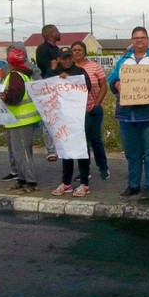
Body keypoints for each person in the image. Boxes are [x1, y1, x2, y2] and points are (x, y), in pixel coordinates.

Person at [108, 26, 149, 200]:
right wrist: (116, 84)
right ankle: (133, 185)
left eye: (142, 38)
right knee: (132, 153)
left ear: (147, 40)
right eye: (136, 38)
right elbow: (112, 78)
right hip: (127, 115)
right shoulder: (124, 60)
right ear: (132, 40)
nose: (139, 40)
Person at [49, 47, 93, 197]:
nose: (67, 60)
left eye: (69, 57)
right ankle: (66, 182)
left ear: (73, 58)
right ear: (60, 59)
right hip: (63, 117)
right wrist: (54, 71)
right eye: (64, 58)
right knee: (65, 149)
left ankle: (84, 183)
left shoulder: (79, 72)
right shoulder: (55, 73)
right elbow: (45, 86)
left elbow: (88, 87)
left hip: (78, 116)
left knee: (81, 148)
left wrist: (70, 80)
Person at [0, 43, 42, 193]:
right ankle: (22, 179)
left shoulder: (15, 75)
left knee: (23, 153)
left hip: (21, 119)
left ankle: (31, 182)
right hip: (17, 120)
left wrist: (5, 97)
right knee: (19, 153)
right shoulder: (23, 73)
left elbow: (15, 97)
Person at [72, 41, 110, 180]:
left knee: (95, 139)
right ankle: (84, 170)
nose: (77, 52)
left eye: (80, 50)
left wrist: (97, 103)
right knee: (81, 141)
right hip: (76, 112)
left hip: (92, 109)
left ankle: (103, 167)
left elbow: (103, 86)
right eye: (74, 50)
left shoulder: (94, 66)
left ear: (85, 51)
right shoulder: (68, 69)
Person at [34, 24, 60, 161]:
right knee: (47, 118)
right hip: (47, 88)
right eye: (57, 31)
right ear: (50, 33)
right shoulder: (42, 49)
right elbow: (47, 71)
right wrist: (54, 67)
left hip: (58, 88)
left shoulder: (56, 49)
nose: (59, 33)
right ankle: (50, 149)